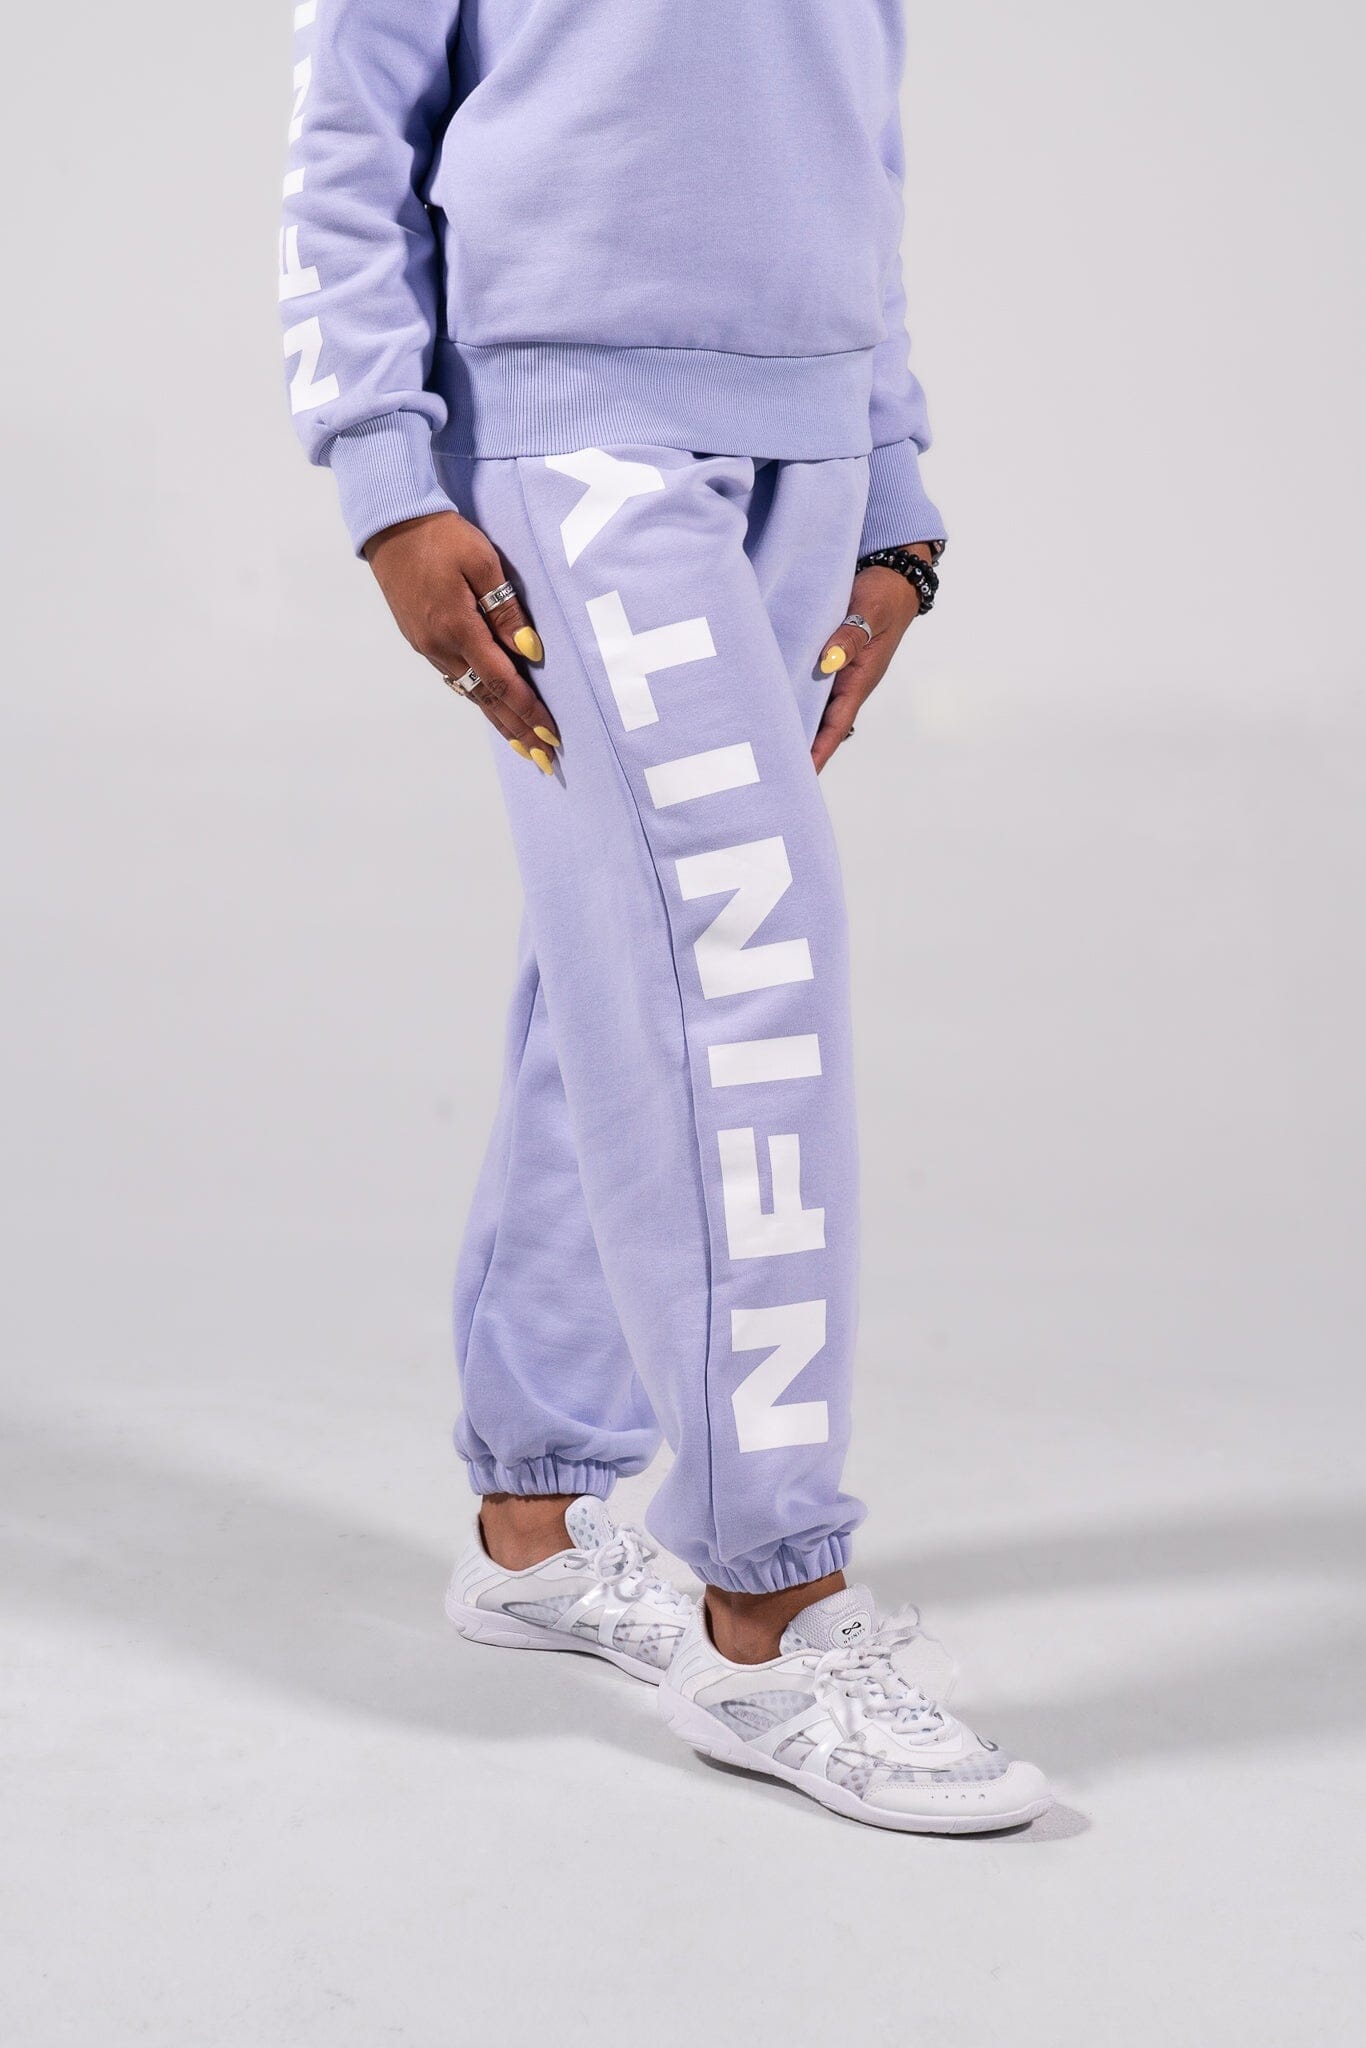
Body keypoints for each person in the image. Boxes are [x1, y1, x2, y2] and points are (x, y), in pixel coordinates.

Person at [280, 0, 1052, 1834]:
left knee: (633, 963)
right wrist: (382, 468)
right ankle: (767, 1618)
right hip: (578, 437)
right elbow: (343, 129)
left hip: (807, 447)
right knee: (740, 962)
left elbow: (841, 128)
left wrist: (891, 485)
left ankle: (536, 1523)